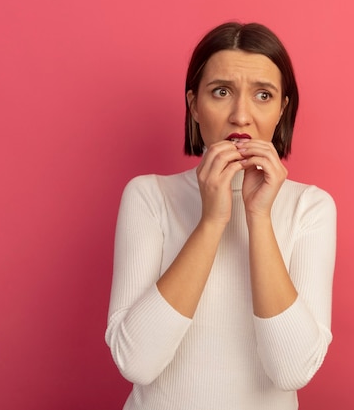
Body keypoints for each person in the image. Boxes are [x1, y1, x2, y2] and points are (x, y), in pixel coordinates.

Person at [105, 22, 337, 410]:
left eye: (263, 95)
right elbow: (136, 362)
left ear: (282, 109)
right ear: (194, 104)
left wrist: (258, 217)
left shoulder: (310, 208)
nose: (240, 116)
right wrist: (211, 221)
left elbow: (292, 370)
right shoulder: (149, 196)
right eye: (222, 92)